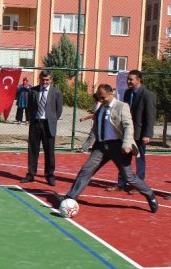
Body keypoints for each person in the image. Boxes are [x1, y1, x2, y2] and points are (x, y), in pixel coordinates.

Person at [62, 84, 158, 214]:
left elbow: (128, 126)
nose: (100, 99)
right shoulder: (102, 107)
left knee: (128, 177)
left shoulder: (121, 106)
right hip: (101, 147)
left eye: (103, 96)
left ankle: (150, 194)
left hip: (118, 147)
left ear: (110, 93)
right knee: (86, 170)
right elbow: (98, 124)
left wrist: (127, 144)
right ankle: (70, 197)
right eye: (99, 97)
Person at [108, 69, 157, 194]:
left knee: (139, 159)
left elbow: (150, 116)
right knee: (123, 158)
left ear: (138, 80)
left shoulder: (147, 95)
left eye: (131, 79)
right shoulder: (127, 93)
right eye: (128, 79)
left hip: (140, 133)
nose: (128, 81)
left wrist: (147, 134)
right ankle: (121, 184)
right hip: (127, 132)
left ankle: (138, 185)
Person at [21, 71, 63, 186]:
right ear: (39, 79)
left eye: (47, 80)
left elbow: (58, 110)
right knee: (33, 150)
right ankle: (31, 174)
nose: (45, 82)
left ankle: (50, 176)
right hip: (35, 124)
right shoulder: (33, 91)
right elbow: (29, 107)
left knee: (49, 152)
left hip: (48, 125)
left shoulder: (56, 92)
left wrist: (51, 119)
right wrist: (30, 119)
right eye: (43, 80)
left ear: (51, 80)